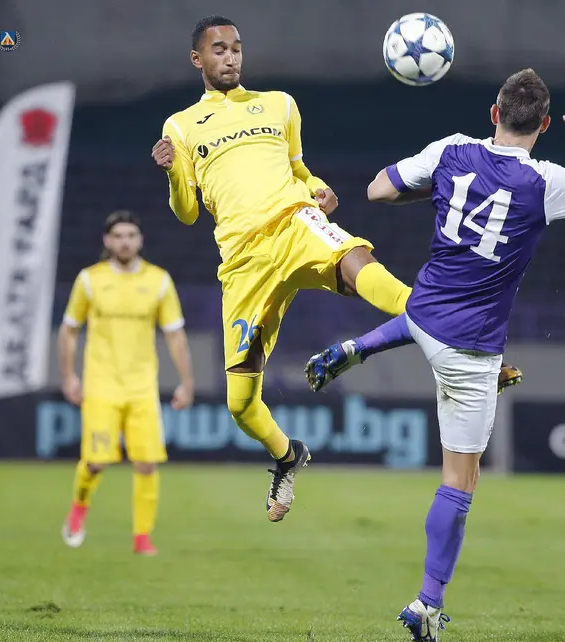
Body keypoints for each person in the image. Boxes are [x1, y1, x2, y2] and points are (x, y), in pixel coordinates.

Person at [305, 69, 565, 642]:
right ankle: (427, 605)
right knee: (461, 481)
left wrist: (436, 189)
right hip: (471, 348)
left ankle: (359, 346)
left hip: (422, 311)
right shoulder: (549, 181)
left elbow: (378, 190)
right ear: (543, 125)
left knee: (423, 317)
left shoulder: (451, 150)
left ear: (493, 113)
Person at [151, 16, 523, 523]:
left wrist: (317, 188)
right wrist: (174, 170)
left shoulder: (279, 104)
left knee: (363, 266)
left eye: (236, 47)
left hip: (294, 223)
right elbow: (187, 212)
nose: (231, 57)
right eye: (219, 49)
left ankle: (472, 353)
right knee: (240, 403)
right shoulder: (180, 126)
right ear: (198, 59)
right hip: (242, 260)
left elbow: (298, 171)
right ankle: (288, 456)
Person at [60, 211, 195, 556]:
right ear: (107, 241)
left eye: (130, 236)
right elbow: (69, 330)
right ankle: (78, 509)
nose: (124, 242)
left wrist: (186, 382)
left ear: (140, 240)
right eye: (118, 236)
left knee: (147, 462)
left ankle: (142, 538)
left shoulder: (159, 281)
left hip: (142, 387)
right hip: (101, 384)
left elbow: (175, 335)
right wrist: (69, 375)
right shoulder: (90, 280)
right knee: (96, 462)